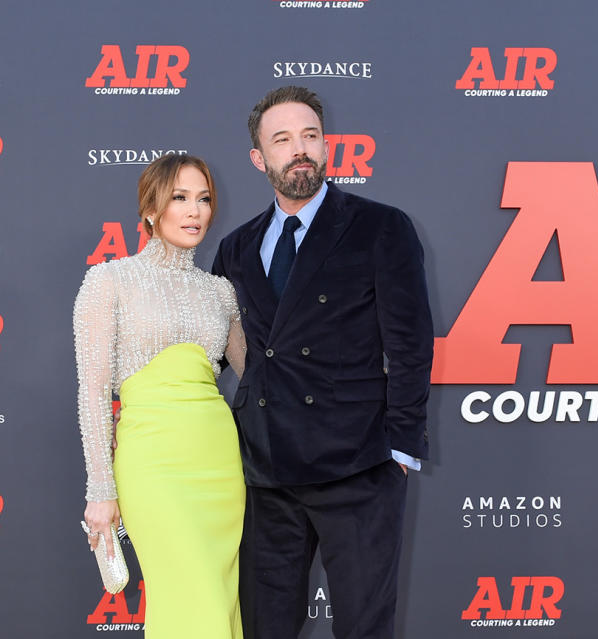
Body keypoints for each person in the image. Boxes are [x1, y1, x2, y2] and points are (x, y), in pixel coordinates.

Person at [211, 85, 433, 639]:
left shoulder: (380, 227)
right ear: (260, 159)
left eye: (310, 135)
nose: (300, 149)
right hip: (265, 473)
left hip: (357, 466)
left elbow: (409, 343)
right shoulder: (236, 248)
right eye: (282, 140)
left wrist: (400, 447)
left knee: (363, 626)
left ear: (326, 146)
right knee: (265, 627)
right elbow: (216, 352)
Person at [75, 154, 247, 639]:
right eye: (180, 197)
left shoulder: (219, 292)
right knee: (186, 599)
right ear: (151, 209)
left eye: (204, 199)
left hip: (218, 463)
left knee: (218, 595)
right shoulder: (110, 280)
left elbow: (257, 376)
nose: (194, 211)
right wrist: (100, 491)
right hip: (154, 464)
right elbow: (91, 394)